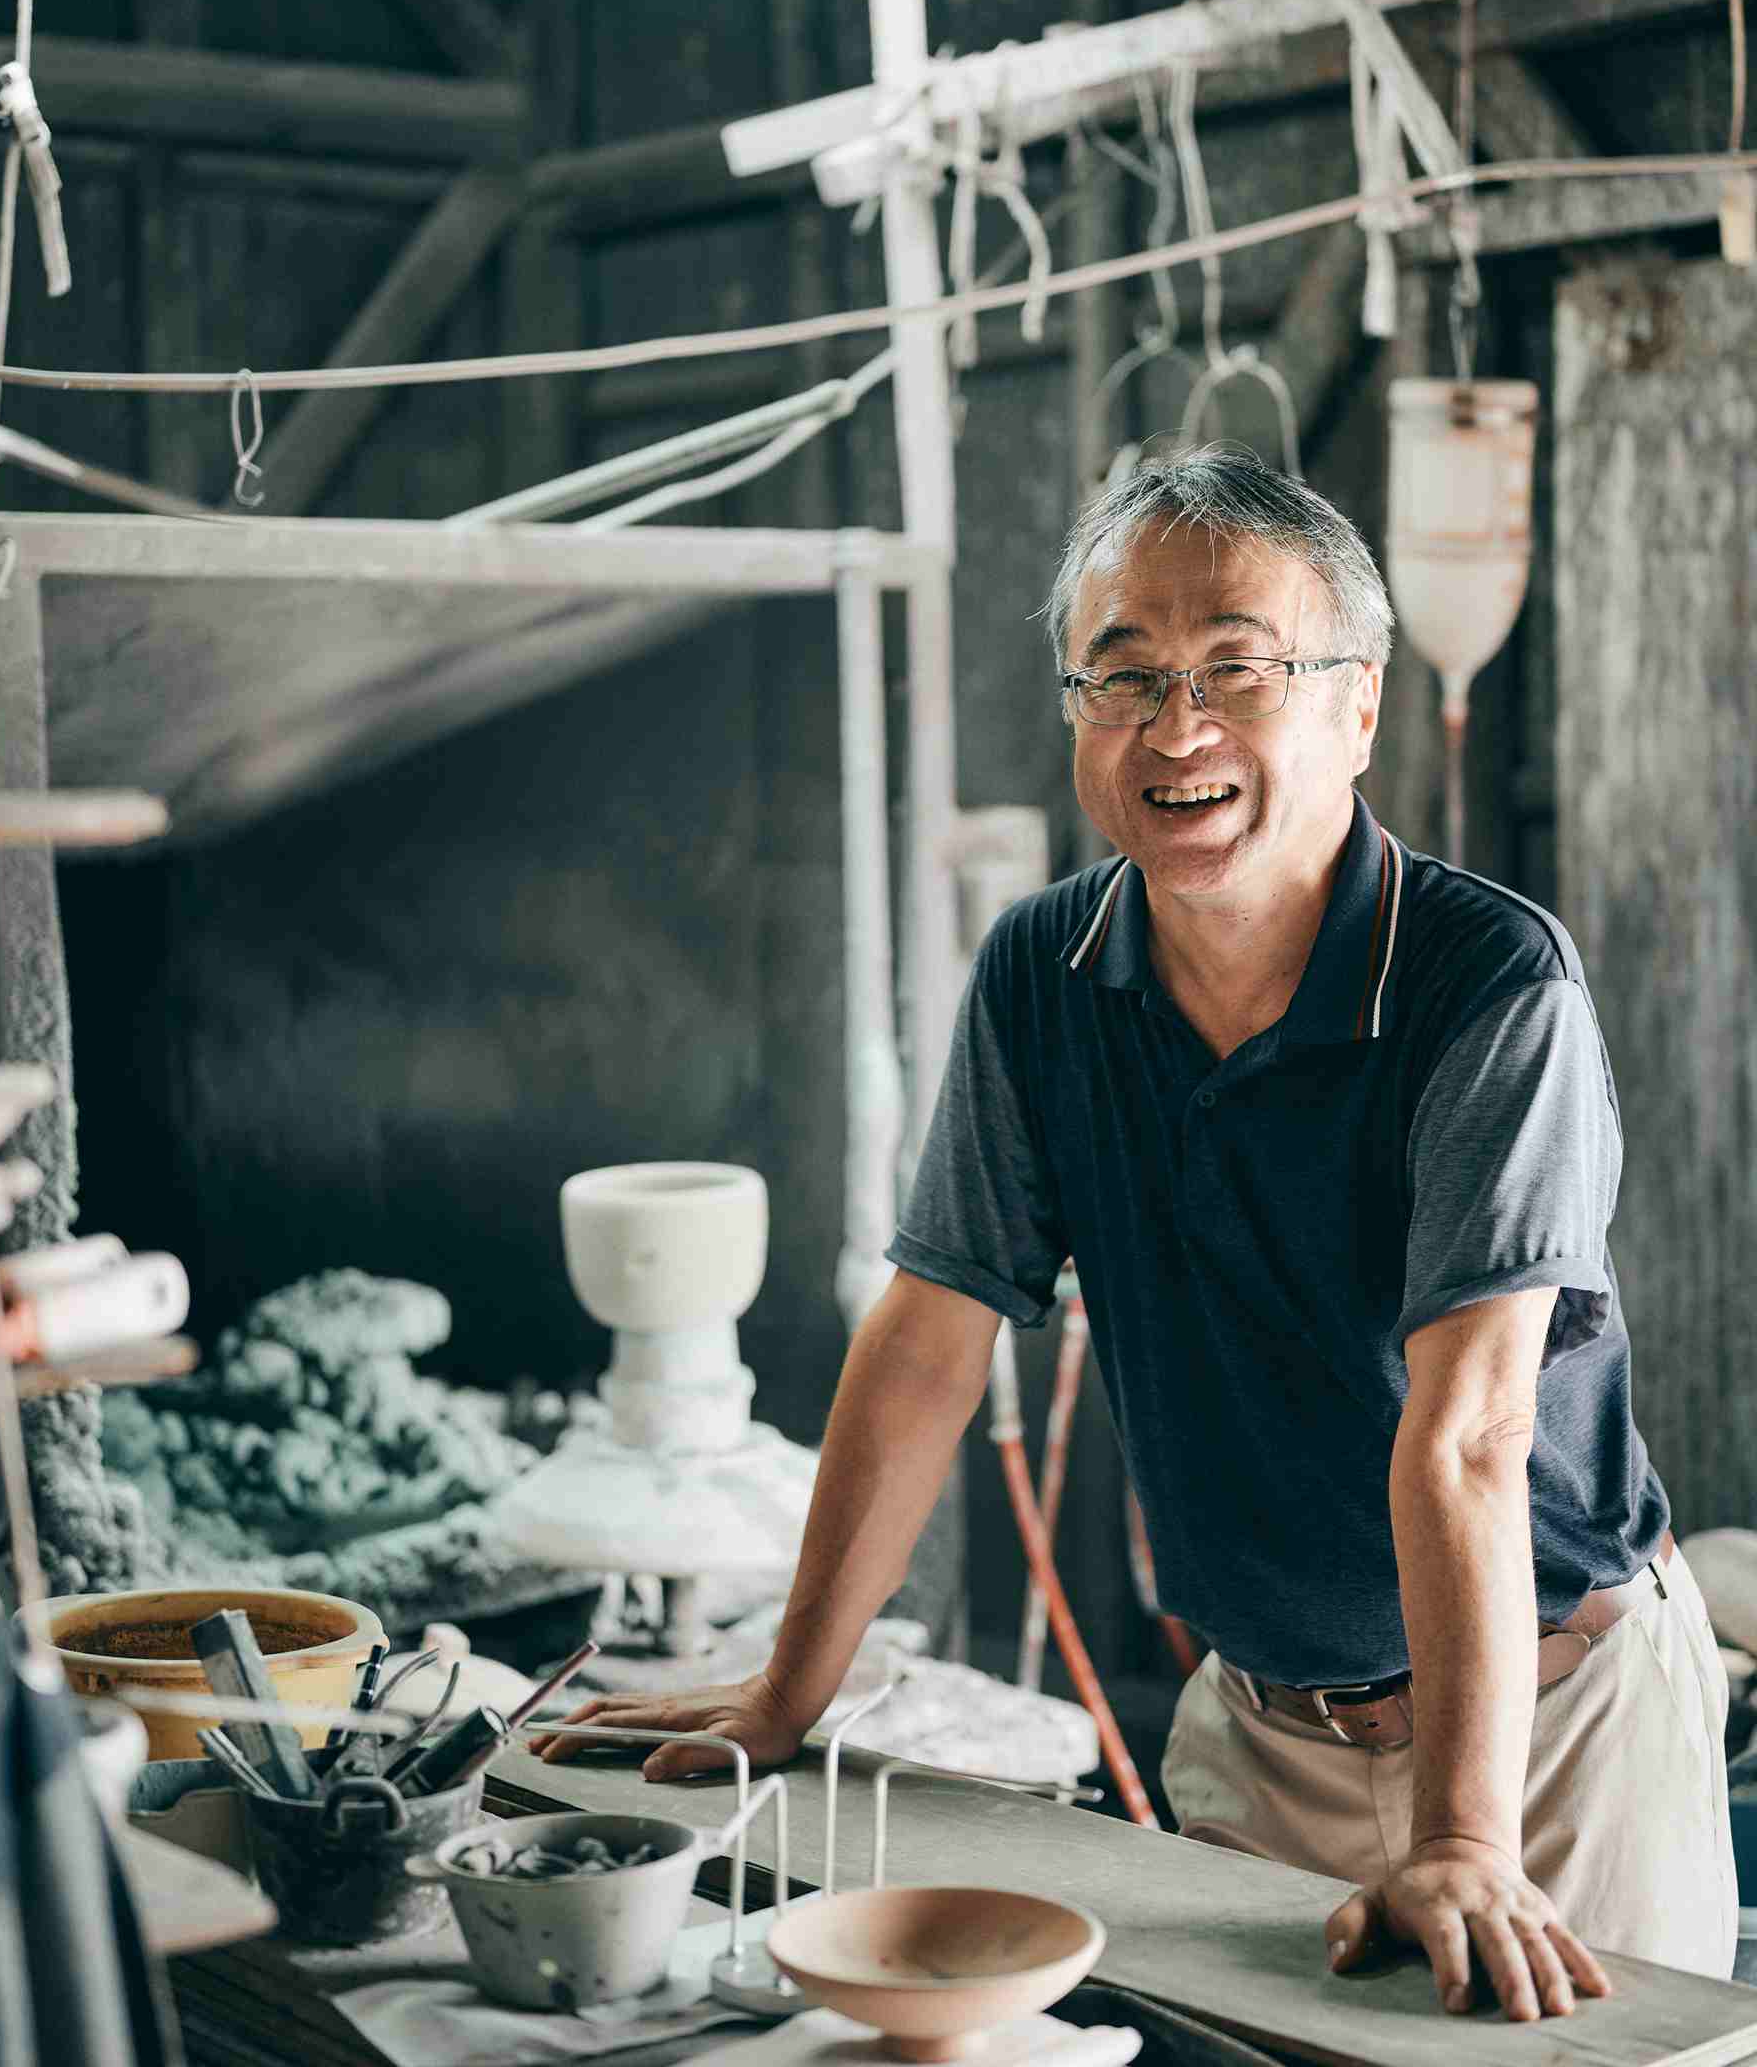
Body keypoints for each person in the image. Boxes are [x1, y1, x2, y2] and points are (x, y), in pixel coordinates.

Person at [536, 448, 1736, 2015]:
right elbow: (925, 1346)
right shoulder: (1043, 973)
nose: (1179, 731)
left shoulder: (1487, 985)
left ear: (1358, 705)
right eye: (1127, 679)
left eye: (1238, 669)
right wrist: (781, 1700)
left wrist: (1462, 1832)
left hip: (1554, 1731)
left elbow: (1471, 1436)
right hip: (1258, 1727)